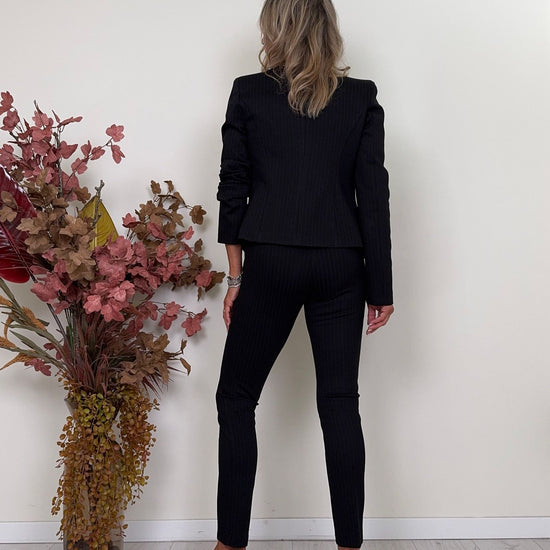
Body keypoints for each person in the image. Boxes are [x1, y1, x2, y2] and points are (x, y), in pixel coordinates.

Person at [214, 1, 395, 549]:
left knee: (236, 397)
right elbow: (374, 197)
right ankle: (349, 546)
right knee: (339, 402)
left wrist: (235, 277)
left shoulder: (248, 93)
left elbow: (233, 185)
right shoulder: (360, 97)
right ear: (327, 30)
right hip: (342, 265)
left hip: (271, 260)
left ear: (276, 28)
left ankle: (228, 544)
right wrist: (381, 288)